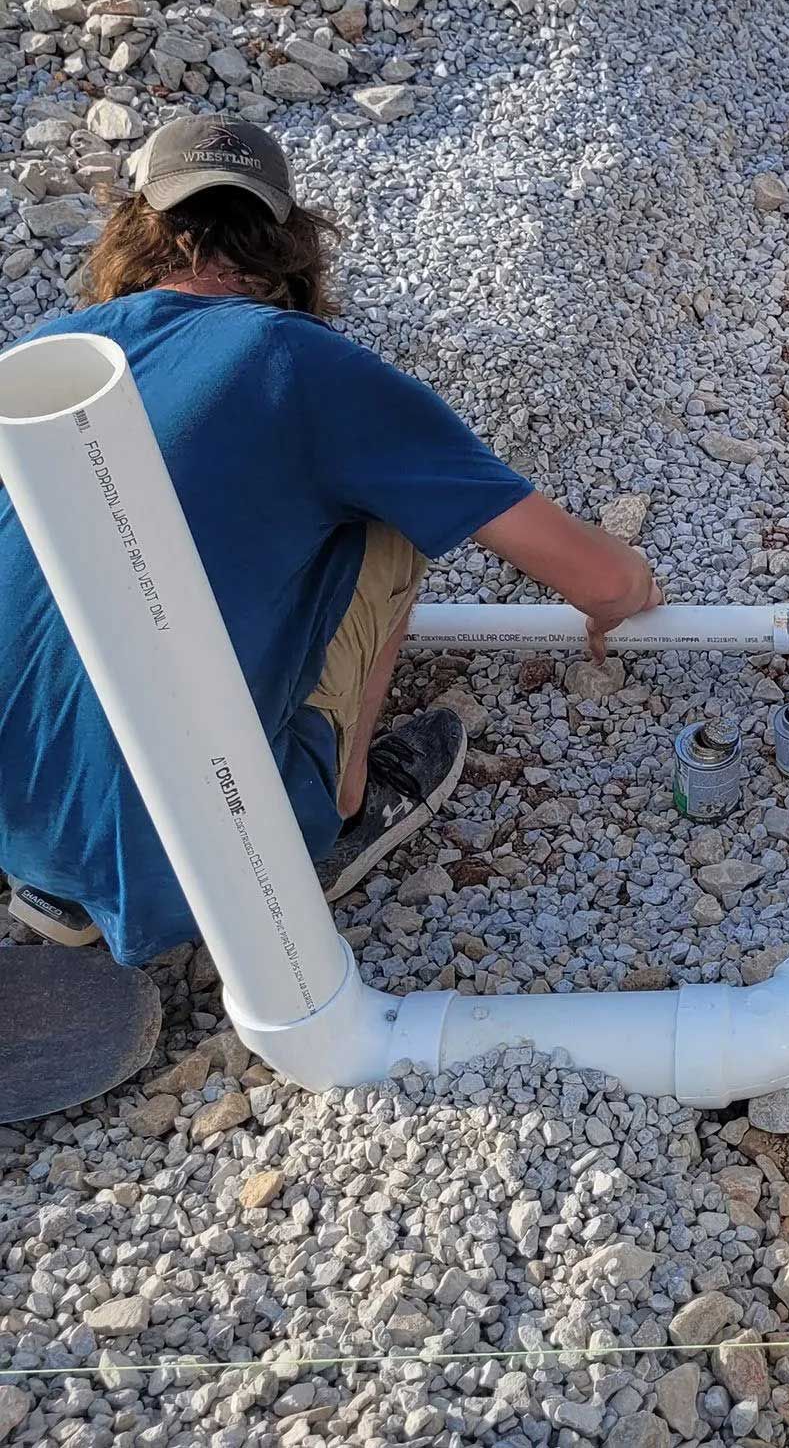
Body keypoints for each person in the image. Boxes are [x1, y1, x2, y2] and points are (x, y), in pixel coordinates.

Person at [0, 116, 662, 962]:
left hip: (18, 824)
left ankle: (58, 876)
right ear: (287, 245)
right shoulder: (295, 358)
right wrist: (634, 583)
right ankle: (334, 809)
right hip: (197, 860)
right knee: (390, 514)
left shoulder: (46, 352)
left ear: (137, 234)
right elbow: (599, 582)